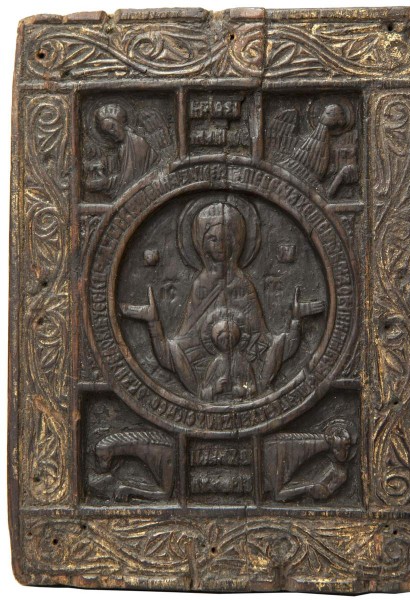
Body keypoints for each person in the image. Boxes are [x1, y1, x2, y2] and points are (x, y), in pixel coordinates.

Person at [121, 202, 316, 402]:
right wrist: (154, 323)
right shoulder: (200, 284)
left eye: (225, 238)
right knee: (175, 351)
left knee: (278, 345)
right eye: (213, 239)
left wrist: (295, 321)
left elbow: (262, 337)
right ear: (201, 244)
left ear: (236, 241)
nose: (220, 245)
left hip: (245, 354)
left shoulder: (243, 283)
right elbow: (184, 339)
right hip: (202, 356)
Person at [86, 103, 156, 196]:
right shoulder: (121, 147)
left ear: (121, 123)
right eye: (107, 132)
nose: (112, 133)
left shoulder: (137, 144)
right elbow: (125, 176)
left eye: (112, 127)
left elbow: (133, 178)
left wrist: (107, 183)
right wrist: (106, 182)